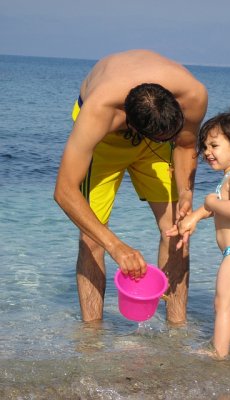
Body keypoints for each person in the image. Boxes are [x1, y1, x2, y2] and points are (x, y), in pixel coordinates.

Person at [54, 49, 208, 323]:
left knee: (178, 229)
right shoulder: (100, 111)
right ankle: (92, 340)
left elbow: (185, 145)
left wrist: (186, 193)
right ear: (132, 127)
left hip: (156, 131)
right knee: (92, 237)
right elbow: (64, 190)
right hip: (105, 142)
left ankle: (177, 333)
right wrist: (116, 246)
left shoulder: (193, 96)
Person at [166, 111, 230, 358]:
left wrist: (209, 203)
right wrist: (192, 218)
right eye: (205, 146)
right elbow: (221, 206)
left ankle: (218, 354)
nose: (208, 152)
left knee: (222, 306)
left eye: (214, 145)